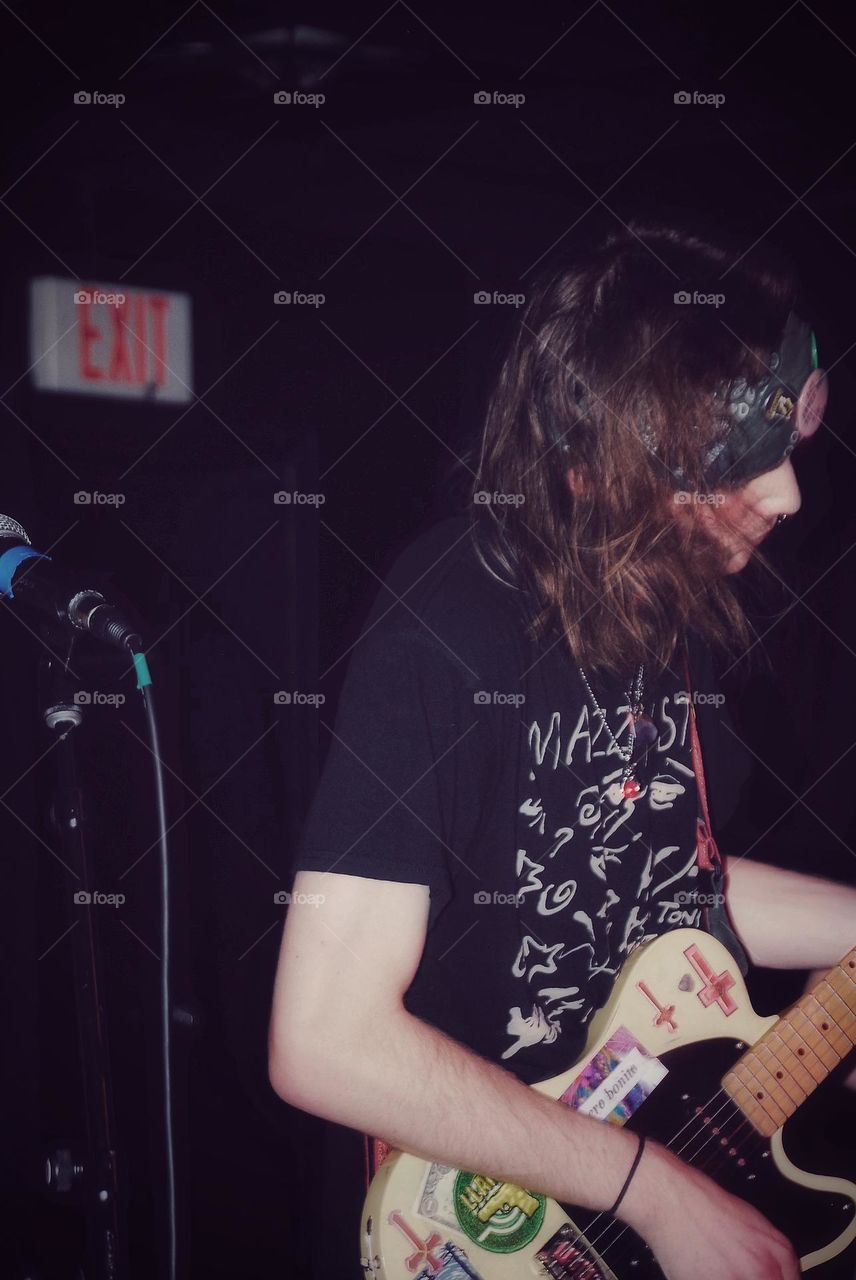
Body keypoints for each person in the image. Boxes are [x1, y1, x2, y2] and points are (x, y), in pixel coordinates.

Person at [267, 221, 855, 1280]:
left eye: (793, 451)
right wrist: (657, 1192)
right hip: (468, 1223)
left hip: (618, 1169)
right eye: (751, 456)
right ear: (619, 457)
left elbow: (671, 884)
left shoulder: (662, 609)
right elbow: (322, 1038)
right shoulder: (446, 623)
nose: (787, 496)